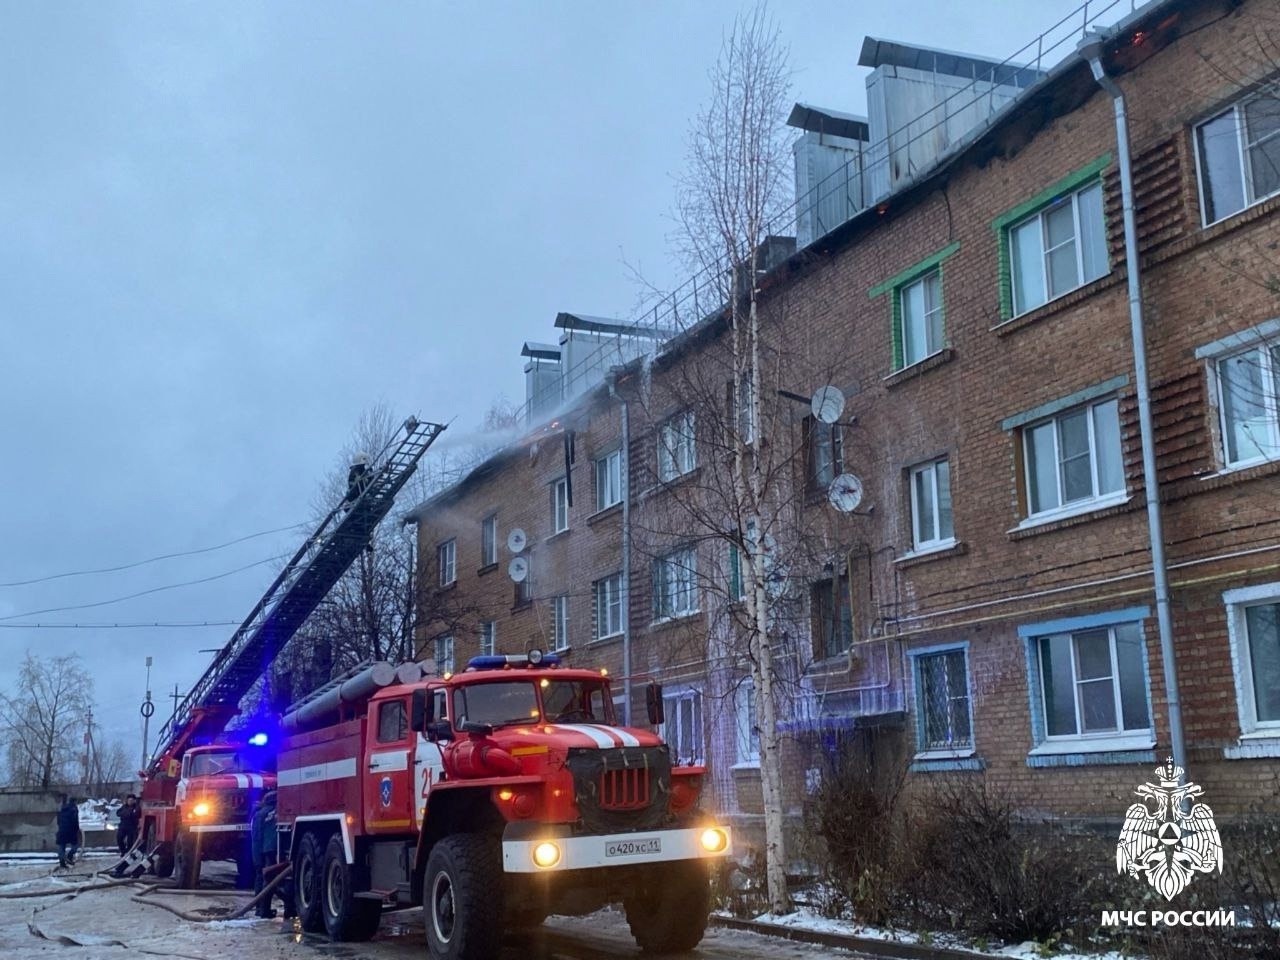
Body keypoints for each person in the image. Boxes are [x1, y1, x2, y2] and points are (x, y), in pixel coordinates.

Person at [250, 790, 294, 919]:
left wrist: (257, 861)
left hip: (266, 851)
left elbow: (256, 838)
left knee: (264, 878)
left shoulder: (260, 814)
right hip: (282, 849)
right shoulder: (281, 811)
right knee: (284, 879)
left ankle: (262, 909)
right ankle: (289, 909)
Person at [55, 795, 80, 869]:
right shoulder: (74, 809)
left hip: (61, 830)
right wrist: (77, 829)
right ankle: (69, 856)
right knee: (75, 846)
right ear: (75, 802)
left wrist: (61, 827)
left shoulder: (62, 809)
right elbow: (75, 821)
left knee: (62, 846)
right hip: (71, 831)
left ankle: (62, 863)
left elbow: (58, 821)